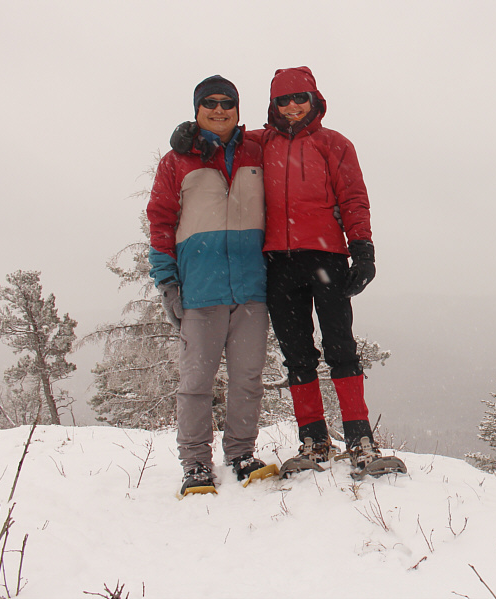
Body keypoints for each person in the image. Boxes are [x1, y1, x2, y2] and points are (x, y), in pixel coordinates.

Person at [170, 67, 404, 478]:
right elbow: (225, 141)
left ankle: (360, 439)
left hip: (327, 258)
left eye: (300, 98)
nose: (292, 106)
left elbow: (353, 197)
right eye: (283, 100)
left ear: (315, 101)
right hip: (278, 262)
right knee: (297, 354)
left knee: (341, 348)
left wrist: (362, 249)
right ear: (273, 104)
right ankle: (313, 439)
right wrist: (189, 137)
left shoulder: (335, 144)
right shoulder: (262, 143)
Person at [149, 75, 275, 496]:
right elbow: (160, 223)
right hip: (201, 290)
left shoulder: (257, 150)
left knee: (248, 380)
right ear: (197, 110)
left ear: (238, 109)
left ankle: (240, 453)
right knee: (196, 384)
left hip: (252, 289)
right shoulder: (176, 161)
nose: (219, 110)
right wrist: (167, 282)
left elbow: (290, 136)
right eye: (210, 103)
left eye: (227, 103)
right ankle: (196, 464)